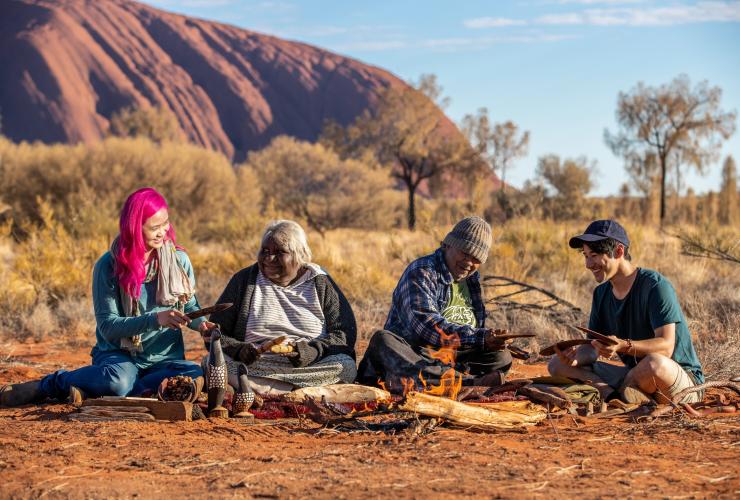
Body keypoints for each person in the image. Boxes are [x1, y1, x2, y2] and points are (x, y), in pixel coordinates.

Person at [0, 188, 207, 407]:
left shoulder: (178, 260)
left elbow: (189, 306)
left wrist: (203, 326)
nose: (163, 232)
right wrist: (156, 319)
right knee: (118, 381)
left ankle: (105, 389)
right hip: (119, 355)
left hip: (165, 360)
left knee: (194, 373)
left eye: (165, 223)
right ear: (134, 228)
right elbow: (108, 326)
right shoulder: (108, 266)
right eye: (154, 227)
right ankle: (53, 384)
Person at [548, 219, 704, 404]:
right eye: (585, 255)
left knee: (655, 364)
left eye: (595, 255)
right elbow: (592, 349)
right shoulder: (601, 294)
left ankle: (617, 394)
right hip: (634, 377)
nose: (588, 264)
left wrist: (623, 345)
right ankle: (614, 395)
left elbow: (666, 347)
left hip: (678, 382)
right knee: (556, 365)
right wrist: (576, 358)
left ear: (619, 251)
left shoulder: (655, 286)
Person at [357, 216, 513, 394]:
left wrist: (491, 342)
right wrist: (480, 337)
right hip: (416, 353)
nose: (469, 262)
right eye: (465, 252)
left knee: (502, 357)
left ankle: (451, 380)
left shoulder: (472, 280)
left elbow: (473, 331)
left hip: (451, 356)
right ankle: (467, 384)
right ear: (448, 244)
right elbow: (425, 326)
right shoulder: (422, 271)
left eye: (476, 258)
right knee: (383, 340)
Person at [201, 220, 356, 395]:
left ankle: (253, 389)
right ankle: (302, 393)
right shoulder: (244, 280)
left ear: (300, 255)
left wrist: (308, 351)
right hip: (257, 365)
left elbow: (343, 335)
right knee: (213, 362)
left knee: (345, 366)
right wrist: (239, 349)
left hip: (309, 367)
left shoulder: (320, 281)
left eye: (279, 252)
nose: (269, 258)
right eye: (265, 251)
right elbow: (218, 334)